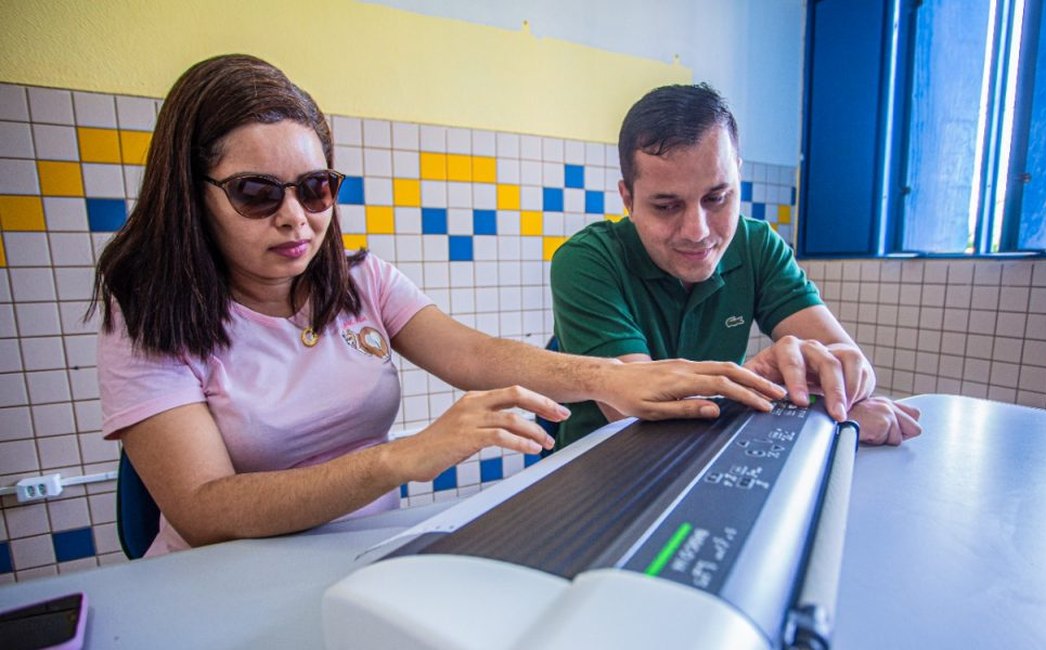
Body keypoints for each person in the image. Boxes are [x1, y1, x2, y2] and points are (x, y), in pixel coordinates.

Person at [90, 55, 788, 556]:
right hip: (218, 575)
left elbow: (472, 356)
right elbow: (203, 508)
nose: (296, 219)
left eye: (316, 188)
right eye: (256, 193)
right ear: (192, 193)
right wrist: (402, 460)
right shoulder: (148, 314)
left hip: (360, 552)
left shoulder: (361, 282)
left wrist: (613, 379)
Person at [551, 83, 922, 449]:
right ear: (628, 199)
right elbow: (640, 419)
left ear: (738, 178)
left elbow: (849, 367)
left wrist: (843, 393)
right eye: (666, 206)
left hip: (710, 455)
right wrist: (758, 384)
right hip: (601, 470)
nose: (697, 232)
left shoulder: (757, 245)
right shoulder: (587, 261)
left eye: (717, 198)